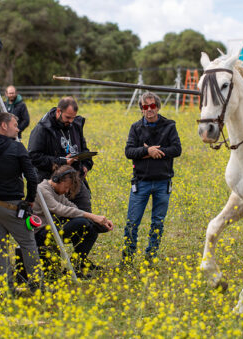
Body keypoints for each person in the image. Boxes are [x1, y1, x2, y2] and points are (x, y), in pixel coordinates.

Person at [0, 112, 42, 292]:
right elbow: (32, 177)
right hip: (13, 206)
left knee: (0, 248)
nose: (18, 128)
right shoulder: (17, 148)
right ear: (4, 126)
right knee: (28, 244)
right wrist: (29, 200)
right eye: (15, 124)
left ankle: (8, 288)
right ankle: (37, 285)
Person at [122, 92, 181, 263]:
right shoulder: (135, 127)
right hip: (141, 182)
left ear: (158, 106)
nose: (149, 110)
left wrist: (157, 152)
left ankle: (151, 256)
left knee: (157, 222)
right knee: (132, 222)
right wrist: (147, 151)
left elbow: (177, 149)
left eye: (152, 106)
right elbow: (128, 151)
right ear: (141, 109)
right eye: (145, 107)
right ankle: (127, 257)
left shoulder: (169, 125)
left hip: (163, 181)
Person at [32, 165, 114, 277]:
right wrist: (91, 216)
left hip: (54, 228)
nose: (66, 191)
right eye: (66, 187)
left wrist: (97, 220)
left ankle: (75, 267)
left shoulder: (57, 191)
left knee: (91, 229)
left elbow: (71, 206)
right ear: (57, 180)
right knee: (82, 222)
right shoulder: (41, 189)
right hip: (40, 233)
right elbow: (59, 209)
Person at [28, 96, 94, 213]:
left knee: (85, 213)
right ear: (59, 111)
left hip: (75, 179)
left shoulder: (75, 125)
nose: (70, 121)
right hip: (53, 181)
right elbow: (34, 157)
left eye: (73, 118)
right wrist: (61, 161)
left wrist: (86, 165)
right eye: (68, 117)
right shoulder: (42, 129)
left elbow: (83, 149)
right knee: (57, 217)